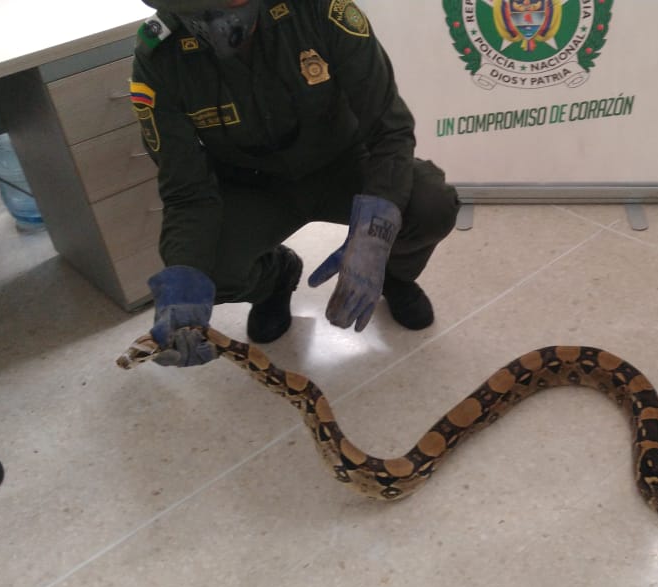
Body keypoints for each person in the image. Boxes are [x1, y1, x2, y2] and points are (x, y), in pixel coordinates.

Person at [130, 0, 459, 367]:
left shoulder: (320, 11)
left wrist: (374, 238)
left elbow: (389, 130)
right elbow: (186, 190)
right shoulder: (160, 57)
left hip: (342, 162)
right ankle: (275, 280)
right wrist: (182, 280)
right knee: (207, 271)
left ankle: (392, 274)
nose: (218, 19)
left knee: (431, 204)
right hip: (252, 185)